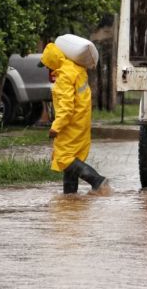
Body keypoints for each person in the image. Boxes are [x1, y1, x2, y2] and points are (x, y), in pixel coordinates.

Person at [40, 42, 108, 194]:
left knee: (64, 158)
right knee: (72, 161)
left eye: (46, 65)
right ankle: (70, 198)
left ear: (52, 62)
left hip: (70, 125)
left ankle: (97, 180)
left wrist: (55, 127)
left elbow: (66, 108)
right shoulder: (76, 69)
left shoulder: (64, 77)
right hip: (81, 122)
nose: (46, 68)